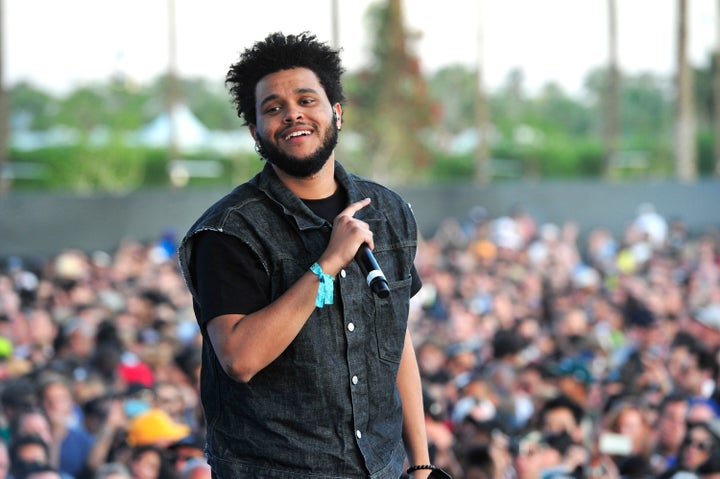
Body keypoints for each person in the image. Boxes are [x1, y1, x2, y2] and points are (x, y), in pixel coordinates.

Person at [177, 32, 437, 478]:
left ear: (335, 112)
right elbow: (240, 359)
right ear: (255, 130)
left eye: (306, 100)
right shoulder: (229, 231)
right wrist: (327, 264)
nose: (292, 113)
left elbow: (396, 341)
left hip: (383, 468)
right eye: (273, 107)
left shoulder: (388, 211)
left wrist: (422, 464)